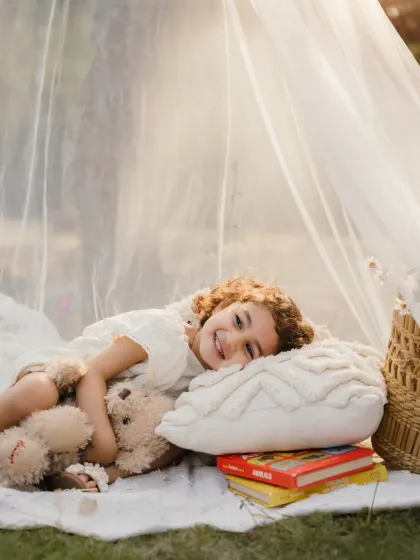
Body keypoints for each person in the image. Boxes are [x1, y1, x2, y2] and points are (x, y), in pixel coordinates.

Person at [0, 276, 314, 491]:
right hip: (68, 381)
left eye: (249, 349)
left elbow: (175, 441)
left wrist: (110, 463)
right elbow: (91, 372)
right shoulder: (166, 333)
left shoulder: (214, 385)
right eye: (237, 321)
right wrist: (105, 446)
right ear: (221, 305)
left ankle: (85, 474)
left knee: (174, 439)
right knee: (38, 390)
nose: (232, 341)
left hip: (101, 423)